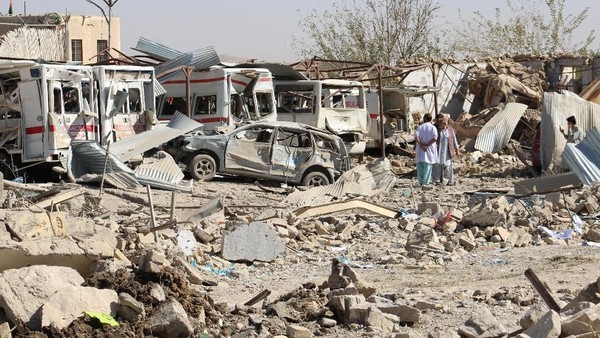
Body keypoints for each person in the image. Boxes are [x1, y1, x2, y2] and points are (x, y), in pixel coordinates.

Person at [433, 115, 460, 185]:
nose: (445, 124)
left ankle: (447, 180)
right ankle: (437, 180)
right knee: (437, 165)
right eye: (443, 123)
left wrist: (457, 149)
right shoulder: (436, 129)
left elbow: (454, 139)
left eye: (446, 122)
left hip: (447, 150)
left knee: (447, 166)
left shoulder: (450, 129)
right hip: (438, 150)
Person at [414, 113, 438, 186]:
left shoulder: (420, 127)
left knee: (420, 165)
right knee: (428, 166)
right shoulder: (433, 128)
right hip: (429, 149)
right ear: (431, 119)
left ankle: (421, 181)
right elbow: (435, 138)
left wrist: (421, 145)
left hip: (421, 150)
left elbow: (416, 137)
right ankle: (426, 182)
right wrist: (426, 146)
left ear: (424, 119)